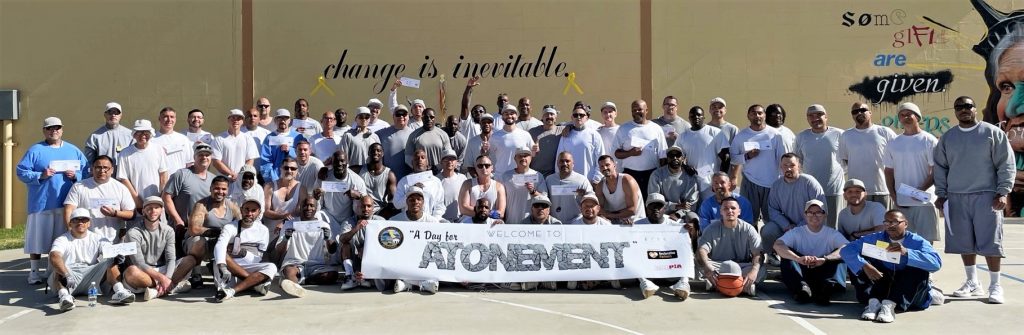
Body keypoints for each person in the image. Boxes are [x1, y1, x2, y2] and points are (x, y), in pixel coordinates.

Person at [934, 95, 1014, 304]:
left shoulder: (992, 133)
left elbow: (1005, 164)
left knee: (991, 242)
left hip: (987, 196)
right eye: (959, 107)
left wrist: (1003, 192)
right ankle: (972, 282)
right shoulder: (948, 137)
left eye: (968, 106)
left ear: (975, 109)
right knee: (964, 243)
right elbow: (941, 167)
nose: (964, 109)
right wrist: (941, 194)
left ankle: (995, 286)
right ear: (955, 111)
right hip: (956, 197)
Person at [18, 116, 89, 284]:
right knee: (37, 240)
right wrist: (41, 175)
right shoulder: (35, 150)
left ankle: (52, 272)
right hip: (41, 203)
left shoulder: (73, 150)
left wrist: (76, 175)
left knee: (60, 240)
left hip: (66, 205)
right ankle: (34, 272)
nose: (54, 131)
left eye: (57, 128)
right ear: (44, 131)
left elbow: (86, 172)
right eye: (49, 128)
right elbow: (21, 172)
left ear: (62, 130)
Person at [840, 210, 942, 323]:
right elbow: (846, 250)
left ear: (905, 224)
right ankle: (873, 302)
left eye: (895, 222)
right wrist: (865, 265)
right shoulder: (877, 237)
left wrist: (907, 252)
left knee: (918, 269)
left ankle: (889, 305)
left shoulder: (917, 241)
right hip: (885, 279)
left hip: (907, 285)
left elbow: (936, 263)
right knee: (858, 261)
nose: (890, 226)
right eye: (887, 222)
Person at [883, 102, 941, 242]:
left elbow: (936, 170)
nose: (905, 117)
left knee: (926, 242)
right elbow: (889, 171)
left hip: (925, 201)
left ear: (917, 117)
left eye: (909, 114)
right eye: (902, 115)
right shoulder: (893, 143)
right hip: (902, 202)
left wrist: (920, 190)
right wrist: (893, 196)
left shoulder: (929, 140)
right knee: (903, 241)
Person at [773, 199, 848, 305]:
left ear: (824, 215)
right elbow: (777, 245)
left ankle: (827, 289)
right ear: (805, 215)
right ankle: (802, 288)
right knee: (787, 258)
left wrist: (825, 259)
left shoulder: (832, 233)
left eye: (818, 212)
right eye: (810, 212)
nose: (814, 216)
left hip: (824, 271)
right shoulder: (796, 232)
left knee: (841, 257)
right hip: (803, 270)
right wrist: (798, 258)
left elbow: (847, 247)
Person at [50, 208, 123, 311]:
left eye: (84, 220)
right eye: (76, 220)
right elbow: (54, 256)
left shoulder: (98, 238)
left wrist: (117, 254)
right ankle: (64, 297)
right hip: (70, 277)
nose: (80, 222)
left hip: (92, 277)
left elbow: (110, 250)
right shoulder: (62, 239)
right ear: (70, 223)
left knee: (110, 261)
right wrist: (66, 275)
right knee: (58, 266)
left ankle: (119, 291)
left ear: (89, 223)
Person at [176, 176, 240, 290]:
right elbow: (194, 230)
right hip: (195, 244)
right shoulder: (201, 205)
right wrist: (220, 232)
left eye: (223, 189)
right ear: (210, 188)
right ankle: (196, 274)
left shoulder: (232, 206)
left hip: (219, 243)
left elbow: (241, 226)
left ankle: (217, 267)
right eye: (217, 188)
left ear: (228, 190)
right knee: (199, 241)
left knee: (236, 241)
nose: (220, 192)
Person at [761, 153, 825, 263]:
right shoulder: (776, 185)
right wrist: (786, 225)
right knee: (767, 230)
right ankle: (773, 255)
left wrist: (799, 227)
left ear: (799, 166)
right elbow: (773, 210)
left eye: (792, 165)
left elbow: (820, 210)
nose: (788, 168)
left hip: (809, 226)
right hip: (787, 227)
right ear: (781, 167)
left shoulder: (810, 183)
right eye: (785, 166)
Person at [728, 104, 786, 225]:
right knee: (748, 219)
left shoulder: (775, 135)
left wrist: (783, 181)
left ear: (764, 115)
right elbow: (733, 158)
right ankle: (751, 238)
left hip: (771, 184)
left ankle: (769, 237)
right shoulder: (741, 136)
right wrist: (747, 156)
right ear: (748, 116)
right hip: (750, 182)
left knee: (771, 220)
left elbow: (783, 159)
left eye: (760, 113)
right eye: (753, 113)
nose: (757, 116)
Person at [212, 196, 276, 301]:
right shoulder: (230, 227)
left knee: (272, 267)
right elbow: (220, 245)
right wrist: (223, 267)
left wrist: (244, 253)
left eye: (253, 210)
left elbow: (259, 257)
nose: (249, 213)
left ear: (259, 213)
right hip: (229, 267)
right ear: (241, 210)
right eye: (247, 209)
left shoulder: (263, 230)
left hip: (250, 265)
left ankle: (232, 291)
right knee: (223, 255)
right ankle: (254, 284)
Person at [697, 197, 763, 297]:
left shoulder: (749, 229)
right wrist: (707, 266)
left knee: (761, 270)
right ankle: (743, 287)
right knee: (697, 264)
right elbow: (702, 250)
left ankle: (717, 285)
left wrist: (754, 270)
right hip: (718, 266)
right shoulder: (711, 228)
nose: (730, 211)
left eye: (733, 208)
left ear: (739, 211)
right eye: (726, 208)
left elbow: (758, 253)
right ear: (721, 212)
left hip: (742, 266)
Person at [633, 193, 694, 300]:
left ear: (665, 208)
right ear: (647, 209)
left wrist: (690, 232)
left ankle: (683, 283)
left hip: (671, 270)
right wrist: (626, 228)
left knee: (687, 247)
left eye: (659, 206)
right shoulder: (636, 225)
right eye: (652, 206)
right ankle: (644, 282)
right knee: (632, 252)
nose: (655, 209)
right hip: (648, 271)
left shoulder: (677, 225)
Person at [276, 196, 338, 298]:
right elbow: (279, 250)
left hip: (317, 265)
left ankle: (301, 281)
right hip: (294, 263)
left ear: (316, 208)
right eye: (305, 205)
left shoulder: (323, 225)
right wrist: (286, 238)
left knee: (332, 275)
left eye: (311, 205)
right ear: (300, 207)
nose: (308, 208)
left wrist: (328, 239)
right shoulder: (289, 224)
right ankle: (294, 281)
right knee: (289, 272)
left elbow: (332, 251)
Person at [794, 104, 845, 228]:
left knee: (833, 226)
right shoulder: (801, 137)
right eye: (811, 116)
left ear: (826, 116)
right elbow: (798, 162)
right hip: (810, 191)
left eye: (819, 115)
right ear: (807, 118)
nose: (815, 118)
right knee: (812, 225)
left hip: (833, 190)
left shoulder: (839, 134)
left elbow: (847, 159)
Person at [838, 102, 897, 207]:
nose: (859, 113)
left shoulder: (885, 132)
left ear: (870, 112)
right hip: (856, 192)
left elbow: (897, 158)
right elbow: (845, 161)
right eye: (855, 111)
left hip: (881, 190)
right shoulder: (846, 136)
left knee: (882, 218)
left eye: (863, 110)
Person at [63, 155, 135, 242]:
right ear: (92, 169)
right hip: (85, 240)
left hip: (113, 240)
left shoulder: (121, 188)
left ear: (112, 170)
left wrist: (115, 213)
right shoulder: (79, 186)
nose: (102, 171)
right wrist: (71, 231)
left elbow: (131, 213)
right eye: (98, 167)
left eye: (106, 168)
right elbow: (69, 209)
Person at [121, 196, 176, 301]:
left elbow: (171, 258)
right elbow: (139, 263)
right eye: (149, 208)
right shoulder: (133, 233)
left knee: (188, 261)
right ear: (143, 211)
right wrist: (162, 279)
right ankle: (170, 287)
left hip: (161, 269)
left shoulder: (169, 230)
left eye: (157, 207)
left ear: (161, 210)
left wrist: (167, 278)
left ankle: (156, 290)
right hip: (143, 271)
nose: (153, 211)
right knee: (132, 272)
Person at [391, 187, 444, 294]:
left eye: (419, 199)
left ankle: (408, 284)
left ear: (423, 202)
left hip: (424, 259)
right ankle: (420, 284)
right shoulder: (394, 220)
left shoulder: (433, 222)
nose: (415, 202)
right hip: (404, 258)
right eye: (412, 199)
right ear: (406, 202)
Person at [612, 99, 668, 198]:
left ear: (646, 110)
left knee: (651, 202)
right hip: (630, 174)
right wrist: (630, 153)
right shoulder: (623, 129)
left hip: (652, 174)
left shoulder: (656, 129)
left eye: (639, 109)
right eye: (634, 110)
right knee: (632, 202)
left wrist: (662, 175)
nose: (636, 112)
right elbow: (616, 153)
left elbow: (663, 155)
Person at [162, 143, 215, 244]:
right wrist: (177, 220)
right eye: (200, 155)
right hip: (182, 230)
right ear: (194, 157)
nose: (204, 157)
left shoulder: (214, 179)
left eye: (207, 155)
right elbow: (166, 197)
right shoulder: (181, 174)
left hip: (204, 230)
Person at [117, 119, 168, 207]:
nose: (143, 135)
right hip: (134, 203)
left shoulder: (158, 149)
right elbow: (124, 179)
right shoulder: (124, 153)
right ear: (134, 134)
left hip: (156, 202)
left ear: (151, 134)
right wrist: (137, 201)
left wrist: (160, 198)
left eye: (146, 132)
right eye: (139, 132)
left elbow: (163, 174)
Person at [339, 195, 386, 290]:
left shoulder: (381, 221)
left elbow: (386, 243)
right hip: (354, 259)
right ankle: (350, 276)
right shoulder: (349, 222)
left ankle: (367, 277)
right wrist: (356, 228)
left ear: (373, 208)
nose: (366, 209)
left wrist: (367, 249)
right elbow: (342, 239)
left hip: (372, 259)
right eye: (363, 206)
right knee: (345, 245)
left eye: (369, 206)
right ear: (358, 208)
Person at [675, 106, 722, 200]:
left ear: (703, 117)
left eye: (699, 115)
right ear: (689, 118)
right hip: (691, 182)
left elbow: (726, 157)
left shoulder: (715, 132)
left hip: (710, 183)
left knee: (711, 207)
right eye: (692, 116)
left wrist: (720, 179)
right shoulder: (683, 136)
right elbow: (676, 156)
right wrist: (685, 167)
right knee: (694, 207)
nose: (696, 117)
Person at [317, 149, 368, 235]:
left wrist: (358, 196)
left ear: (347, 162)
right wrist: (316, 196)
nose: (339, 164)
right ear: (332, 162)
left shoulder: (357, 180)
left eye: (342, 161)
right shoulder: (324, 176)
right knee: (316, 215)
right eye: (336, 161)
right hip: (328, 216)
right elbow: (317, 200)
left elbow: (366, 202)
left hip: (348, 219)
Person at [648, 146, 700, 222]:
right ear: (667, 158)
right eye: (671, 156)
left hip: (683, 213)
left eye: (678, 155)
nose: (675, 158)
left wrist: (678, 214)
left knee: (693, 218)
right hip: (661, 212)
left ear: (683, 158)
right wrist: (675, 206)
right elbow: (653, 201)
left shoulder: (690, 177)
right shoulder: (656, 175)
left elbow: (692, 203)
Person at [394, 148, 448, 219]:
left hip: (430, 221)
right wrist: (411, 191)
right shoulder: (404, 181)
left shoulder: (436, 181)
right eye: (416, 158)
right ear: (412, 163)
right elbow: (397, 204)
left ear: (427, 162)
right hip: (408, 221)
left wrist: (434, 220)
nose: (420, 160)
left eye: (423, 157)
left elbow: (440, 205)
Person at [498, 148, 547, 224]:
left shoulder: (538, 175)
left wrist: (533, 191)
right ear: (515, 158)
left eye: (526, 155)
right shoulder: (506, 176)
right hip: (510, 222)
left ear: (531, 158)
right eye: (520, 156)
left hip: (531, 223)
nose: (523, 158)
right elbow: (500, 199)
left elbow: (545, 199)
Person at [556, 107, 606, 181]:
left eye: (581, 115)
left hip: (589, 181)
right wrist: (559, 178)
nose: (578, 117)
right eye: (575, 115)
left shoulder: (594, 135)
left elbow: (601, 158)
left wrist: (596, 179)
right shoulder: (565, 135)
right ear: (572, 118)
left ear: (587, 118)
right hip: (569, 181)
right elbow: (559, 158)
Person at [264, 158, 307, 242]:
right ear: (281, 169)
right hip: (272, 230)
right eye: (286, 168)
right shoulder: (270, 186)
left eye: (293, 168)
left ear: (297, 171)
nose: (289, 171)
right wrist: (284, 216)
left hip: (293, 230)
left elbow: (299, 212)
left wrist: (284, 222)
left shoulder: (302, 189)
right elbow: (266, 211)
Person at [595, 155, 645, 225]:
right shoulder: (600, 186)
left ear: (614, 165)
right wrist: (603, 216)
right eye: (602, 166)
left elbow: (632, 210)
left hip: (635, 222)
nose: (605, 168)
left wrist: (608, 215)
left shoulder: (627, 180)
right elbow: (599, 210)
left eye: (607, 165)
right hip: (614, 224)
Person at [212, 109, 259, 182]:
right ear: (228, 120)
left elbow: (250, 160)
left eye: (239, 118)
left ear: (242, 121)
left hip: (242, 181)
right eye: (233, 118)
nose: (235, 121)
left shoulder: (248, 138)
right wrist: (231, 174)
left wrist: (241, 175)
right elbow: (216, 161)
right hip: (223, 182)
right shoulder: (218, 139)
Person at [546, 152, 594, 224]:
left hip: (575, 223)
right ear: (557, 163)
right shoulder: (549, 179)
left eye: (567, 161)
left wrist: (585, 195)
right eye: (561, 161)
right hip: (554, 223)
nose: (564, 164)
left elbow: (592, 199)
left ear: (573, 164)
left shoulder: (582, 180)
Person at [490, 104, 536, 175]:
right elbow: (489, 155)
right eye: (506, 114)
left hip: (519, 176)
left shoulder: (525, 134)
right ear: (502, 117)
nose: (509, 116)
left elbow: (532, 154)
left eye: (512, 113)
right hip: (501, 176)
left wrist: (535, 150)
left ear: (516, 117)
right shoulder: (494, 136)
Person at [458, 155, 507, 219]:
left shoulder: (499, 187)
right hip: (469, 222)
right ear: (476, 168)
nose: (484, 168)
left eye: (487, 165)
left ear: (492, 168)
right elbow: (463, 208)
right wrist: (487, 213)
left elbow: (501, 213)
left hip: (490, 223)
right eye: (480, 166)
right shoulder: (467, 184)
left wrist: (482, 213)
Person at [83, 102, 133, 166]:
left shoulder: (130, 135)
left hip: (123, 172)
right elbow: (89, 163)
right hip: (103, 172)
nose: (113, 115)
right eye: (110, 112)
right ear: (105, 114)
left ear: (121, 115)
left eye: (116, 112)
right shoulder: (95, 137)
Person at [406, 108, 453, 173]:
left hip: (440, 174)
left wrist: (437, 167)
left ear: (435, 118)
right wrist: (421, 168)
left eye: (432, 117)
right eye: (426, 117)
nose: (429, 119)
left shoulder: (443, 134)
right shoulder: (413, 135)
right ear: (422, 118)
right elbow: (408, 158)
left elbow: (448, 155)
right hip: (421, 174)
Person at [258, 109, 299, 182]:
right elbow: (265, 161)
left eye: (285, 118)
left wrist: (290, 150)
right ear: (275, 120)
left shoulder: (297, 137)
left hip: (294, 179)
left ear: (290, 121)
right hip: (275, 180)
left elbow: (303, 156)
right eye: (279, 118)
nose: (282, 121)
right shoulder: (269, 138)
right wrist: (273, 180)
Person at [151, 107, 194, 175]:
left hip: (180, 180)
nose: (169, 120)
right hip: (159, 179)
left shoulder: (183, 139)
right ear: (159, 119)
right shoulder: (152, 140)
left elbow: (190, 163)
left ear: (175, 119)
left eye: (172, 117)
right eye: (165, 116)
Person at [360, 143, 398, 218]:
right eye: (373, 150)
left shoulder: (389, 175)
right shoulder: (359, 170)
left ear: (382, 154)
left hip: (379, 212)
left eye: (378, 150)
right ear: (368, 153)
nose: (375, 152)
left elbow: (392, 200)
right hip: (362, 210)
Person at [378, 104, 415, 181]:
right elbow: (368, 136)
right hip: (387, 179)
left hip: (408, 179)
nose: (401, 117)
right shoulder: (382, 133)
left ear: (408, 116)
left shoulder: (414, 134)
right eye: (398, 114)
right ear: (393, 116)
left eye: (404, 114)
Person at [339, 107, 380, 172]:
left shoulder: (375, 137)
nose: (364, 119)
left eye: (367, 117)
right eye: (361, 117)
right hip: (354, 173)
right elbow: (343, 157)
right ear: (356, 119)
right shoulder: (348, 136)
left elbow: (379, 157)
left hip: (370, 173)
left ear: (369, 119)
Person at [527, 106, 563, 177]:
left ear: (556, 117)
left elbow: (574, 126)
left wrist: (570, 127)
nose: (549, 116)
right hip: (534, 173)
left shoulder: (562, 130)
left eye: (552, 114)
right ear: (542, 117)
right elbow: (525, 151)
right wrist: (532, 150)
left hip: (553, 174)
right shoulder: (532, 131)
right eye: (546, 114)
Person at [708, 97, 739, 172]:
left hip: (726, 174)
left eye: (720, 107)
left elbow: (737, 154)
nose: (717, 109)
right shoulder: (704, 129)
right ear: (710, 110)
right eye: (714, 107)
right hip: (708, 173)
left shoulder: (733, 129)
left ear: (725, 110)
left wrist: (734, 175)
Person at [437, 150, 469, 223]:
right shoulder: (436, 180)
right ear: (441, 162)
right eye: (446, 159)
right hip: (441, 221)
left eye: (452, 159)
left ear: (456, 162)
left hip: (459, 220)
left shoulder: (463, 178)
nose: (449, 162)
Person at [596, 102, 622, 180]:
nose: (608, 114)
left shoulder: (622, 130)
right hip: (602, 172)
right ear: (602, 114)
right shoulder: (597, 132)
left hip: (619, 170)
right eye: (605, 112)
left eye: (610, 111)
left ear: (615, 114)